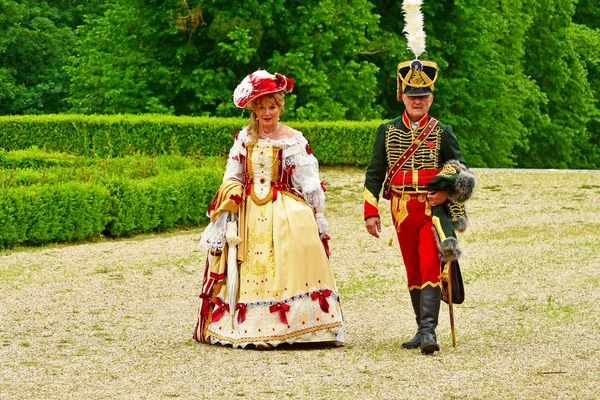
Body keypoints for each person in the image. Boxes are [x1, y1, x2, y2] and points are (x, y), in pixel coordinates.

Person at [193, 69, 344, 349]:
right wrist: (232, 194)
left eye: (272, 106)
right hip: (249, 211)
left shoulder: (292, 139)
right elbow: (233, 174)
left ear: (279, 108)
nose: (266, 112)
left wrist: (317, 213)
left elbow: (307, 180)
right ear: (254, 110)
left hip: (282, 207)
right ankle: (245, 326)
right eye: (261, 107)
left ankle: (300, 327)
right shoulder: (243, 139)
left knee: (292, 248)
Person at [363, 57, 476, 354]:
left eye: (423, 96)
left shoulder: (442, 131)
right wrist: (371, 211)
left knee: (429, 265)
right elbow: (375, 173)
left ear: (431, 98)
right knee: (413, 271)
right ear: (402, 96)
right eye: (412, 96)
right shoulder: (386, 131)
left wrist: (445, 193)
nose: (417, 101)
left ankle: (429, 332)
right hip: (400, 211)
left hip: (431, 212)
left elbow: (459, 168)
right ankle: (419, 327)